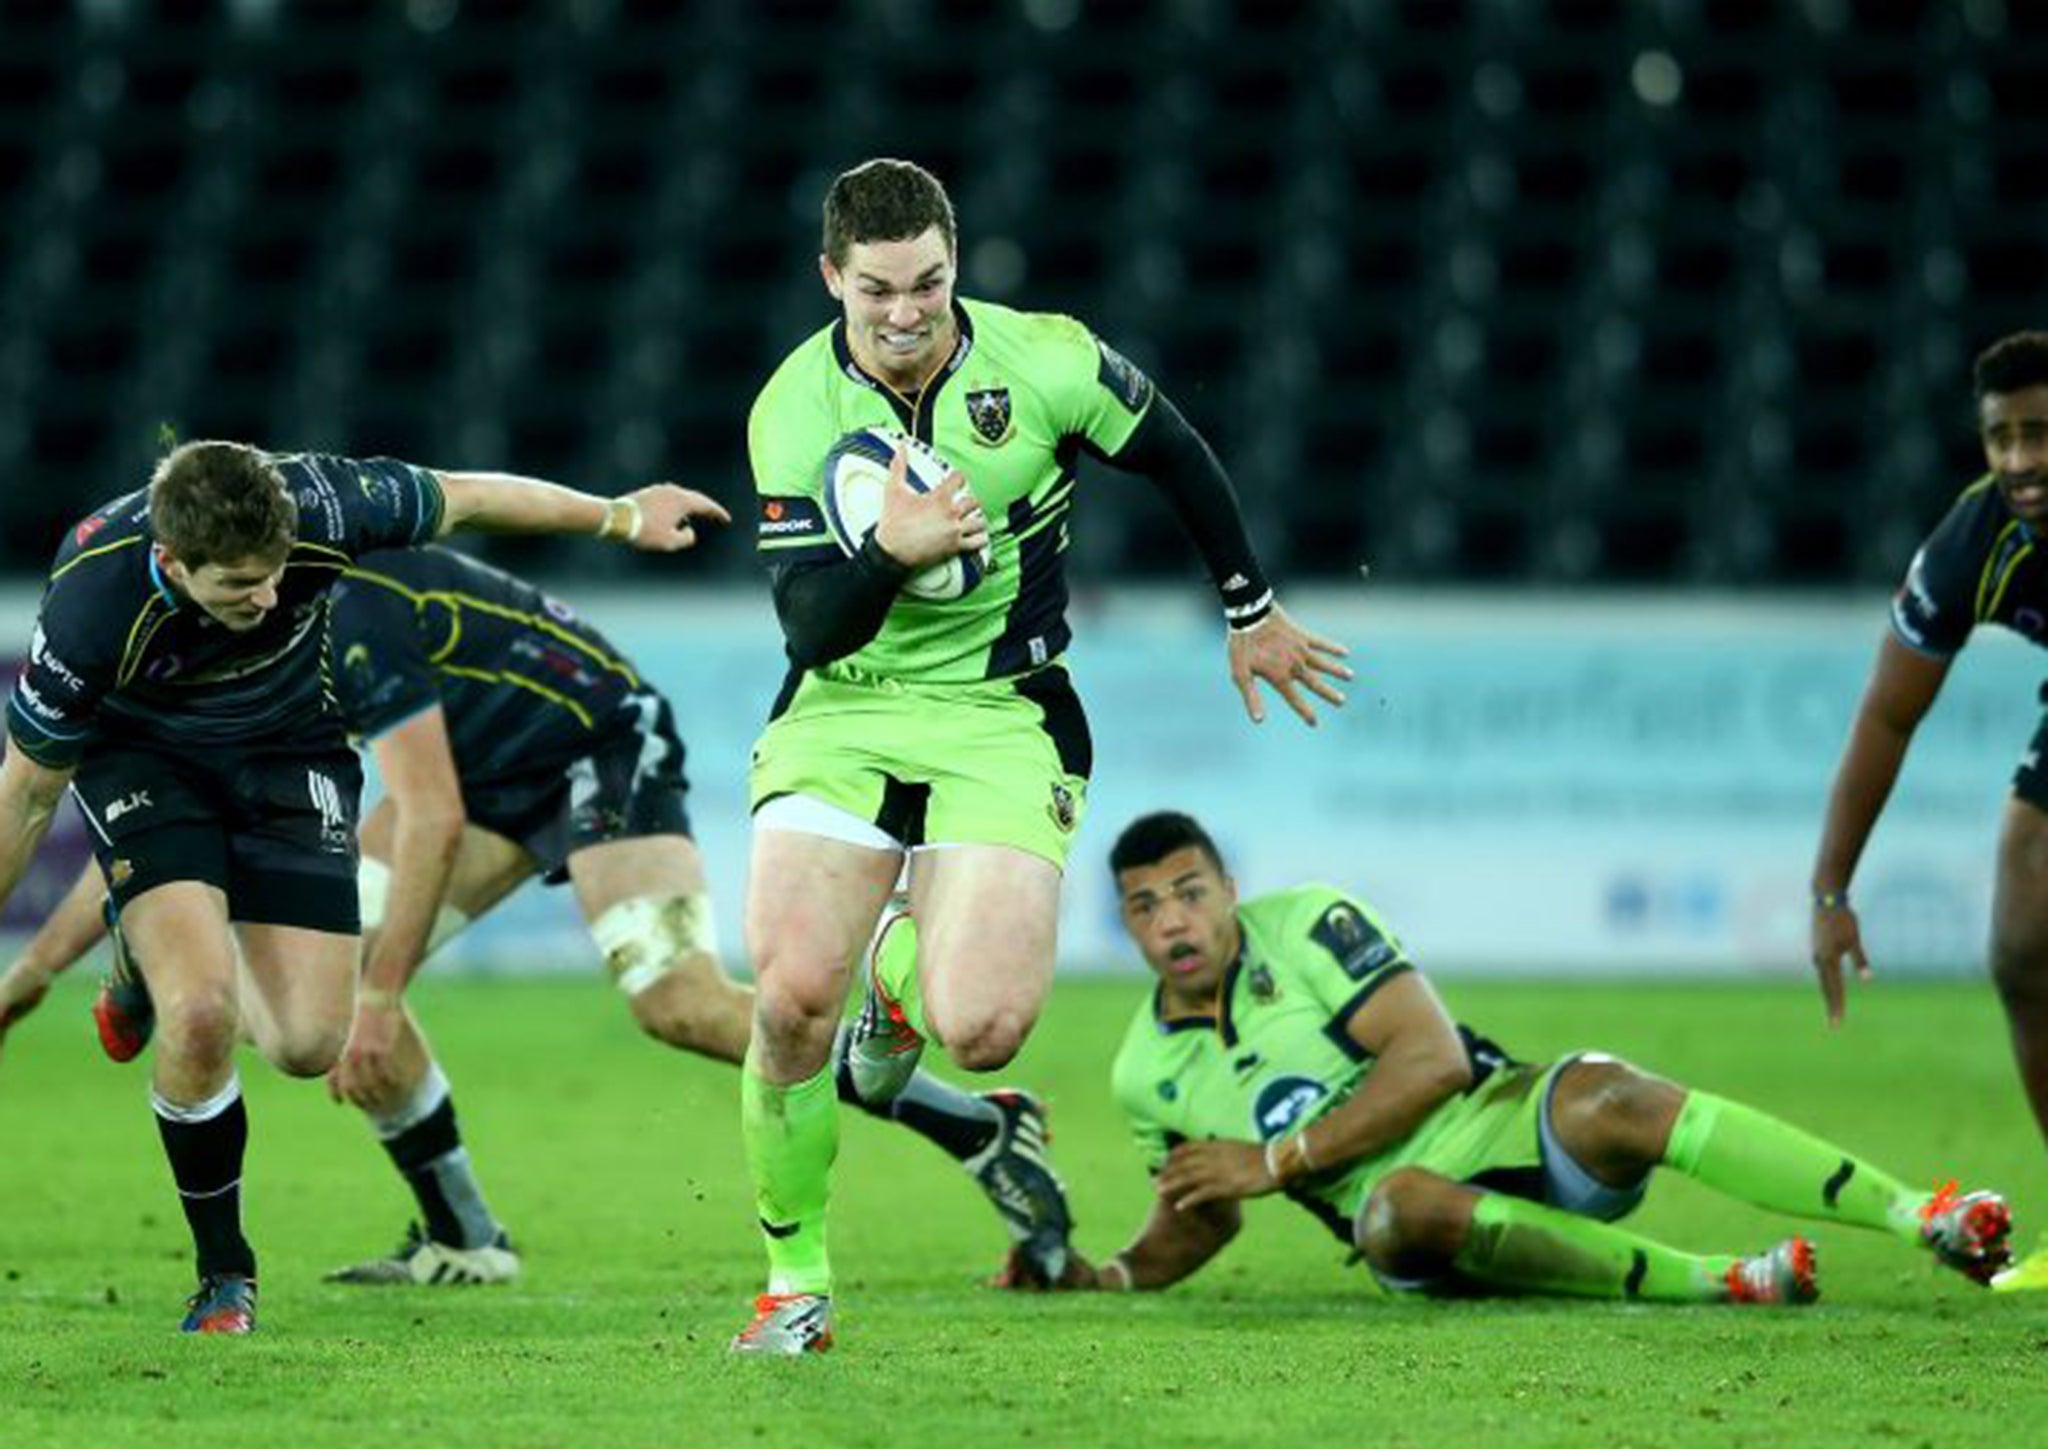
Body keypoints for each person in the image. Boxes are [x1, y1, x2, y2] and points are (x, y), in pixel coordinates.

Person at [0, 545, 1074, 1285]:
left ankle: (969, 1119)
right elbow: (176, 844)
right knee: (319, 963)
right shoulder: (261, 629)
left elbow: (426, 819)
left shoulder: (333, 616)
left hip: (595, 740)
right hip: (474, 766)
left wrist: (379, 1002)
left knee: (677, 1005)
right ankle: (465, 1235)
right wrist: (38, 975)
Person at [732, 158, 1351, 1354]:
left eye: (927, 284)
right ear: (831, 280)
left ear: (955, 264)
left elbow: (1175, 451)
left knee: (984, 1032)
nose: (906, 314)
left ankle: (902, 984)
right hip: (843, 702)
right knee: (792, 995)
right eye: (877, 292)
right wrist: (893, 552)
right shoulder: (790, 408)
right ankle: (794, 1281)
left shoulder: (1047, 360)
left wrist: (1248, 607)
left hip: (1003, 709)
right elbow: (809, 627)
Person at [0, 439, 723, 1333]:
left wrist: (618, 515)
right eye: (238, 586)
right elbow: (27, 798)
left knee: (307, 1044)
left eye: (274, 576)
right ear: (174, 564)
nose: (266, 598)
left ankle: (147, 939)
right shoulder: (88, 608)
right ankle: (226, 1274)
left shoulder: (327, 502)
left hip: (290, 750)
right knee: (201, 1016)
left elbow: (468, 497)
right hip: (149, 760)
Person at [995, 811, 2013, 1304]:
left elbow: (1432, 1059)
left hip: (1494, 1107)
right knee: (1394, 1205)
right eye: (1143, 904)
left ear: (1227, 888)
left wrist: (1278, 1160)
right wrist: (1110, 1274)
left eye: (1189, 890)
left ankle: (1914, 1211)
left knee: (1613, 1092)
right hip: (1408, 1223)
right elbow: (1200, 1210)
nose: (1173, 919)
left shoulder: (1309, 923)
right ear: (1121, 925)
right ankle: (1718, 1282)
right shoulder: (1146, 1071)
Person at [1810, 330, 2048, 1292]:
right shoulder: (1975, 540)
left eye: (2042, 435)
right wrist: (1830, 892)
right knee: (2024, 946)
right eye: (2003, 437)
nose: (2023, 462)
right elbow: (1888, 712)